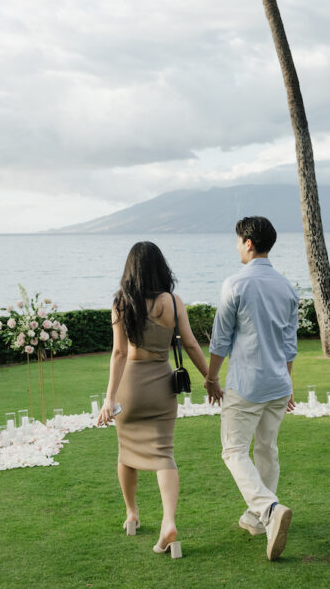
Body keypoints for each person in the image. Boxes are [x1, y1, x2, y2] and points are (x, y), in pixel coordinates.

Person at [97, 241, 212, 558]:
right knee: (164, 454)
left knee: (126, 452)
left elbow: (119, 353)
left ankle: (132, 513)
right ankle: (169, 522)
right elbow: (189, 344)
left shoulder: (122, 303)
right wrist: (210, 378)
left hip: (131, 388)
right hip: (163, 386)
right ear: (161, 268)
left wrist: (109, 399)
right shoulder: (173, 302)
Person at [205, 216, 298, 561]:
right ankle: (258, 519)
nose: (237, 247)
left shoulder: (235, 284)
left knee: (233, 451)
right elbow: (290, 345)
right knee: (267, 448)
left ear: (248, 243)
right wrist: (288, 384)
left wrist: (211, 378)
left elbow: (220, 341)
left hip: (247, 384)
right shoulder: (288, 288)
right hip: (278, 383)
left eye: (238, 241)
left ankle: (269, 510)